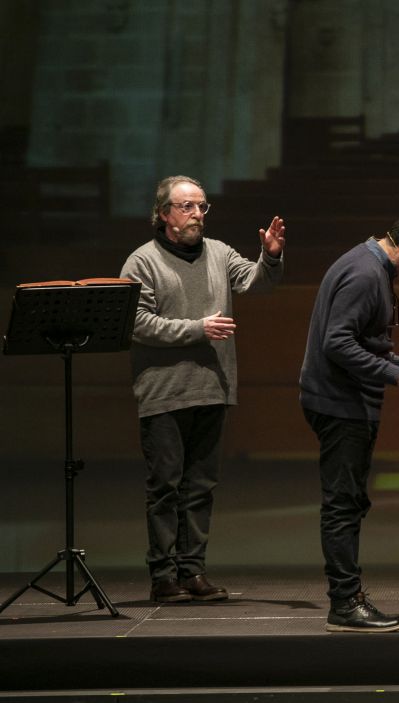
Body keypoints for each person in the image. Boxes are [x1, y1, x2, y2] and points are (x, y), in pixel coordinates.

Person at [120, 175, 286, 603]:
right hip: (165, 391)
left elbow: (256, 282)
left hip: (212, 387)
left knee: (201, 485)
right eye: (188, 206)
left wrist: (270, 257)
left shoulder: (219, 253)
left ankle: (193, 571)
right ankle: (163, 576)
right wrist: (197, 328)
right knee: (165, 486)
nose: (197, 214)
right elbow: (135, 322)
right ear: (164, 214)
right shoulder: (142, 261)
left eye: (202, 207)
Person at [299, 211, 399, 633]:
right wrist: (395, 374)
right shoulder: (366, 275)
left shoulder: (366, 265)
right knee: (342, 505)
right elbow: (338, 343)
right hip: (338, 404)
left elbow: (360, 340)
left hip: (342, 400)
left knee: (349, 502)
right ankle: (344, 603)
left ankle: (348, 597)